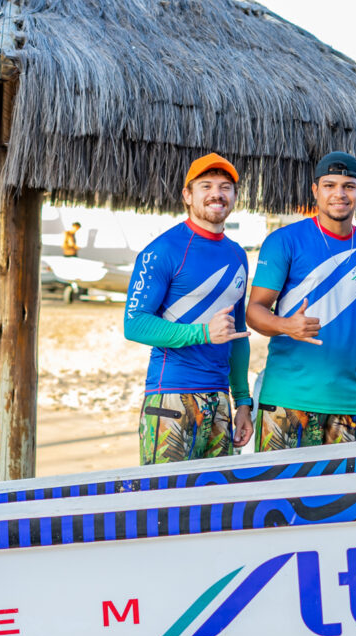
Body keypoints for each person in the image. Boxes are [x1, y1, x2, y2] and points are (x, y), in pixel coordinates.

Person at [246, 151, 356, 450]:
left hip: (351, 404)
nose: (339, 194)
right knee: (279, 483)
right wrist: (285, 325)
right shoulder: (285, 241)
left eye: (348, 186)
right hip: (287, 401)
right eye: (329, 185)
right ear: (315, 190)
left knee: (350, 483)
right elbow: (254, 311)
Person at [124, 153, 253, 465]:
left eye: (225, 187)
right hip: (171, 395)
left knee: (215, 493)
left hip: (220, 399)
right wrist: (203, 333)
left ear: (234, 196)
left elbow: (237, 335)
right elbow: (135, 324)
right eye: (206, 186)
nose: (216, 194)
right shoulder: (163, 250)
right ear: (187, 195)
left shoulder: (237, 255)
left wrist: (243, 402)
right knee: (165, 493)